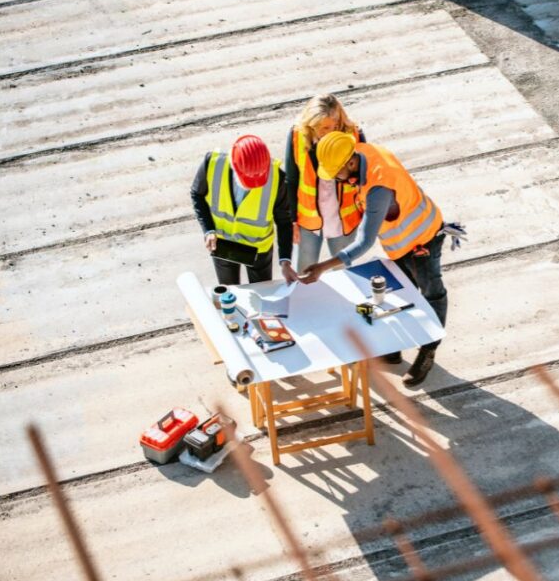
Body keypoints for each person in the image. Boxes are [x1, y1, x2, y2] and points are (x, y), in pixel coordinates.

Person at [298, 131, 447, 386]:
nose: (335, 177)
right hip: (400, 241)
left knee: (432, 293)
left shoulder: (378, 186)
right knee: (400, 293)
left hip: (423, 238)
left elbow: (364, 242)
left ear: (350, 162)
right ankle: (395, 346)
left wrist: (323, 267)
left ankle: (428, 349)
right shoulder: (364, 151)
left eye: (336, 172)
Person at [190, 134, 298, 285]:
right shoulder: (212, 164)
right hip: (224, 244)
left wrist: (285, 261)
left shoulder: (277, 177)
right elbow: (197, 194)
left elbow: (284, 221)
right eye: (247, 179)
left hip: (258, 250)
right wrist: (208, 230)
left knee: (262, 295)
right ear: (234, 164)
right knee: (230, 293)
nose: (253, 184)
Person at [285, 94, 366, 272]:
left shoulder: (354, 135)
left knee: (345, 274)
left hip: (343, 220)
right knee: (304, 272)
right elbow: (291, 180)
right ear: (311, 125)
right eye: (323, 128)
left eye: (334, 126)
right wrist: (292, 221)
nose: (329, 132)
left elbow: (364, 178)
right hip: (309, 221)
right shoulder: (296, 136)